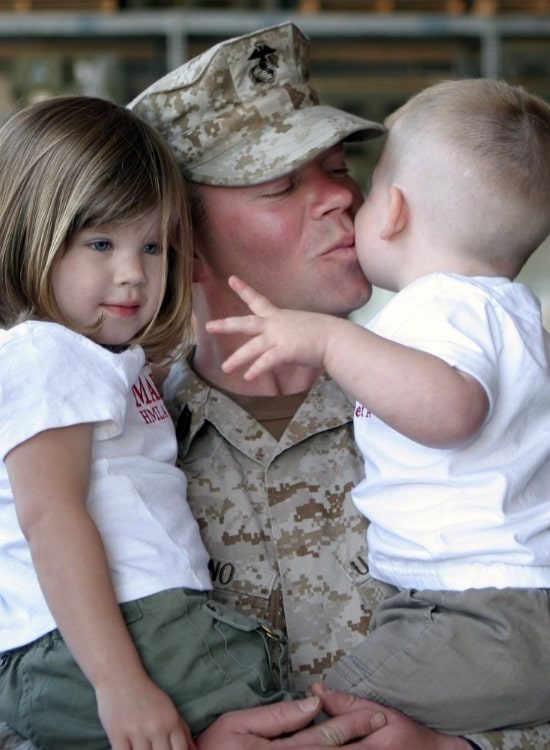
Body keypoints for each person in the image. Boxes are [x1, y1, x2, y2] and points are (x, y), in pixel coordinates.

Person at [128, 22, 550, 750]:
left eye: (335, 167)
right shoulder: (114, 448)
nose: (337, 199)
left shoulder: (483, 397)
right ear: (180, 241)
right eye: (281, 184)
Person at [0, 94, 299, 750]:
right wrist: (118, 683)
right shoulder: (45, 352)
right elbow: (50, 516)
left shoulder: (101, 363)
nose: (133, 274)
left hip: (122, 625)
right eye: (100, 243)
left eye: (155, 246)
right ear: (30, 234)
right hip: (124, 625)